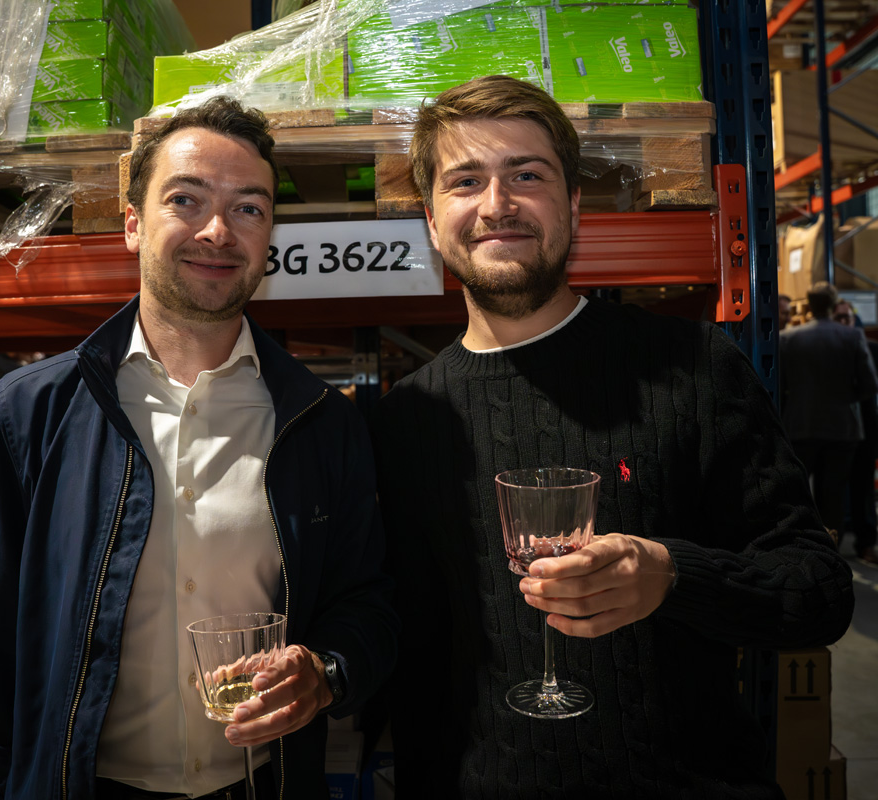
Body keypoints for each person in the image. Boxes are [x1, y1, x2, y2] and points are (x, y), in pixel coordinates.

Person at [370, 75, 855, 799]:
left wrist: (674, 574)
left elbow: (819, 591)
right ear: (432, 223)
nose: (497, 204)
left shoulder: (693, 367)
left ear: (572, 206)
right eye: (465, 181)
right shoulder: (403, 420)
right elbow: (404, 658)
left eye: (526, 175)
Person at [0, 97, 397, 800]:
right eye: (185, 200)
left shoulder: (322, 420)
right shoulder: (30, 411)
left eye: (248, 208)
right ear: (132, 224)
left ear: (269, 235)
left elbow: (366, 600)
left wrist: (325, 672)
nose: (218, 231)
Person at [779, 282, 878, 537]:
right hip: (842, 427)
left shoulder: (788, 338)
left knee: (798, 492)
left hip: (801, 425)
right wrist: (846, 399)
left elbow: (780, 384)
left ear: (809, 306)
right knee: (833, 495)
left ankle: (800, 543)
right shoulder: (852, 337)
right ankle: (832, 547)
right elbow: (870, 384)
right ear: (834, 306)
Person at [834, 297, 878, 564]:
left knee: (863, 488)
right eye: (838, 318)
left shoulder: (871, 349)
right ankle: (833, 544)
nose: (844, 323)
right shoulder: (826, 349)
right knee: (833, 489)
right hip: (835, 429)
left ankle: (866, 542)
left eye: (847, 318)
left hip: (865, 429)